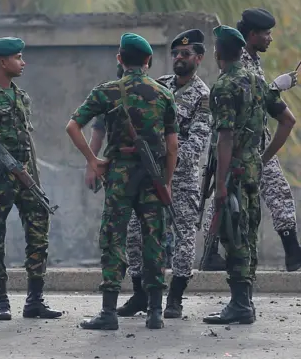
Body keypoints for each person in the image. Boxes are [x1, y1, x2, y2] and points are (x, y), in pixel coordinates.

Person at [90, 29, 212, 319]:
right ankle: (140, 295)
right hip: (144, 175)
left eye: (185, 54)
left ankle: (175, 298)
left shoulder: (204, 96)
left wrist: (165, 165)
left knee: (182, 238)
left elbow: (196, 142)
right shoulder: (161, 85)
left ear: (199, 58)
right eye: (175, 54)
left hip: (179, 180)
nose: (179, 59)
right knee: (135, 235)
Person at [201, 8, 301, 273]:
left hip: (257, 140)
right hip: (239, 143)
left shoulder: (253, 59)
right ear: (252, 35)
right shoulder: (238, 57)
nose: (270, 38)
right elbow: (250, 93)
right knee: (223, 196)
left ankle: (293, 252)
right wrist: (276, 87)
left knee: (280, 193)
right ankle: (211, 252)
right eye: (266, 34)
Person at [66, 33, 179, 331]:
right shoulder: (164, 93)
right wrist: (165, 181)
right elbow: (173, 147)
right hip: (152, 175)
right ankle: (156, 312)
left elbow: (73, 126)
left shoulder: (106, 91)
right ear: (148, 61)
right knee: (153, 240)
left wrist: (93, 159)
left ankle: (108, 312)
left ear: (119, 59)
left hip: (119, 175)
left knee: (113, 238)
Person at [203, 25, 295, 324]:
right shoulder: (257, 81)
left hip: (233, 173)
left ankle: (240, 304)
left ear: (218, 53)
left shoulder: (225, 86)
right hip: (252, 170)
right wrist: (263, 158)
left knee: (233, 235)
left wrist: (220, 185)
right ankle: (245, 302)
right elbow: (287, 120)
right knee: (249, 234)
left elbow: (225, 138)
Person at [0, 37, 62, 321]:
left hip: (25, 178)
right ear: (3, 61)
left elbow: (27, 143)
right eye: (18, 58)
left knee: (38, 233)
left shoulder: (22, 97)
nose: (23, 63)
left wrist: (33, 178)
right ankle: (1, 301)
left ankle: (34, 300)